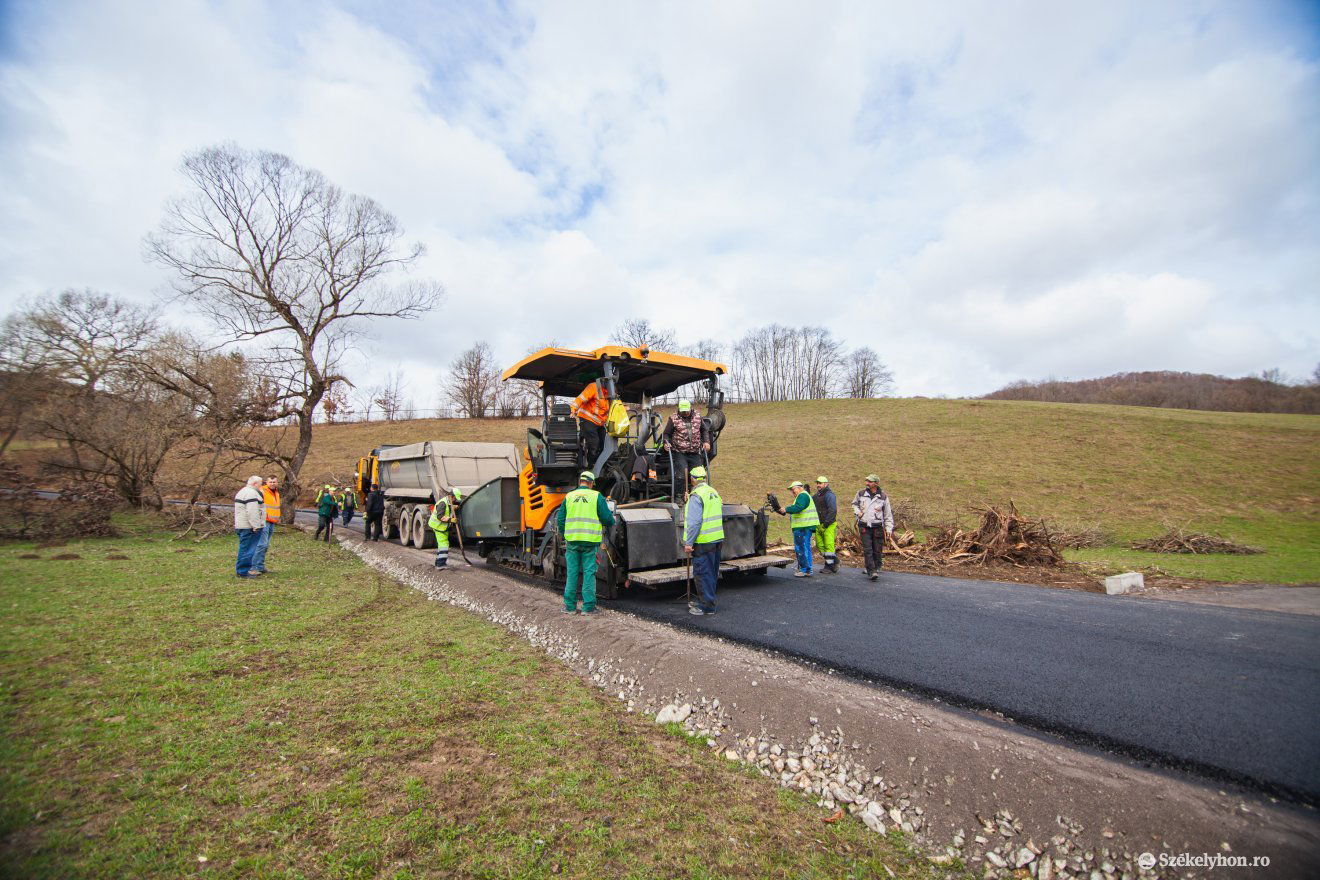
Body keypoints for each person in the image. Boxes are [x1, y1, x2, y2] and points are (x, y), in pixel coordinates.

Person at [555, 470, 615, 614]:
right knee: (589, 574)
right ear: (591, 483)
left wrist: (566, 534)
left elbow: (560, 519)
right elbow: (608, 519)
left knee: (572, 573)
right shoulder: (596, 496)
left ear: (580, 482)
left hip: (572, 542)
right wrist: (610, 521)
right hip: (590, 542)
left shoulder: (569, 496)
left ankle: (569, 607)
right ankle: (588, 608)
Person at [682, 465, 723, 616]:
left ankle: (706, 606)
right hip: (716, 539)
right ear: (704, 478)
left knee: (702, 573)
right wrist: (689, 501)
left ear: (692, 479)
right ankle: (707, 600)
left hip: (703, 541)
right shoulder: (713, 492)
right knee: (711, 573)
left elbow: (695, 522)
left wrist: (689, 543)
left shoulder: (696, 496)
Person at [662, 399, 711, 498]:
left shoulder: (698, 416)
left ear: (690, 408)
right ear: (679, 409)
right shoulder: (673, 418)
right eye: (683, 411)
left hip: (695, 452)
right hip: (680, 452)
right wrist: (666, 443)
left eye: (687, 411)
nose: (685, 413)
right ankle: (679, 497)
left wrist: (706, 442)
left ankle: (699, 496)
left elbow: (704, 430)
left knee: (699, 475)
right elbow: (666, 434)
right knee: (681, 474)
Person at [851, 474, 894, 581]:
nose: (867, 483)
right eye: (867, 481)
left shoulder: (883, 496)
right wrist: (858, 512)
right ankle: (871, 571)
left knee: (877, 549)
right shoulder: (861, 493)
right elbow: (854, 504)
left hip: (877, 526)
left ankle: (876, 565)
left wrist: (888, 529)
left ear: (876, 483)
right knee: (868, 549)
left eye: (870, 482)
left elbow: (888, 514)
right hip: (864, 525)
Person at [781, 480, 820, 577]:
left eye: (793, 489)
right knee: (805, 547)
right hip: (804, 526)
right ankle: (807, 569)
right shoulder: (803, 496)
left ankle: (805, 569)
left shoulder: (802, 495)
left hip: (803, 527)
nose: (792, 492)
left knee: (802, 547)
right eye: (791, 490)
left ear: (799, 488)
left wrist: (786, 509)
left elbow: (798, 507)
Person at [571, 379, 611, 465]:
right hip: (587, 419)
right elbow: (580, 399)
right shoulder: (593, 387)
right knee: (594, 443)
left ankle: (600, 465)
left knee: (604, 444)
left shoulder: (609, 394)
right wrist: (573, 409)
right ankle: (591, 466)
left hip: (599, 423)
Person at [233, 475, 266, 579]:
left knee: (245, 548)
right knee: (248, 549)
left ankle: (244, 570)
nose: (261, 485)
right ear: (255, 483)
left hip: (243, 525)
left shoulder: (243, 491)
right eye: (260, 483)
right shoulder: (251, 493)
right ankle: (243, 572)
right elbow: (252, 511)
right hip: (248, 527)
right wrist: (256, 525)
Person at [250, 475, 281, 575]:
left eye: (274, 482)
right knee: (261, 545)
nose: (272, 484)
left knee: (265, 545)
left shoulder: (276, 492)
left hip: (272, 521)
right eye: (270, 482)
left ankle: (260, 566)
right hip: (264, 521)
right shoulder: (262, 491)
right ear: (266, 483)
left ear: (277, 483)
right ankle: (254, 567)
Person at [812, 476, 838, 574]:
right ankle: (835, 561)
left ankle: (829, 566)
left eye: (820, 483)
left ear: (826, 484)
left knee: (828, 545)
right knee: (820, 545)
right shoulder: (816, 496)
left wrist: (826, 523)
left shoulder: (829, 495)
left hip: (828, 524)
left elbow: (833, 510)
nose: (818, 485)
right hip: (819, 524)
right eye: (817, 483)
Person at [427, 488, 457, 568]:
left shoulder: (447, 501)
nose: (455, 500)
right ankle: (441, 564)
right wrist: (451, 520)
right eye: (455, 498)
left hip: (442, 527)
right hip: (438, 527)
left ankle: (438, 562)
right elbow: (440, 516)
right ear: (451, 496)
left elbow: (447, 509)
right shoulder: (443, 503)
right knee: (444, 545)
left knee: (442, 545)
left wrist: (453, 507)